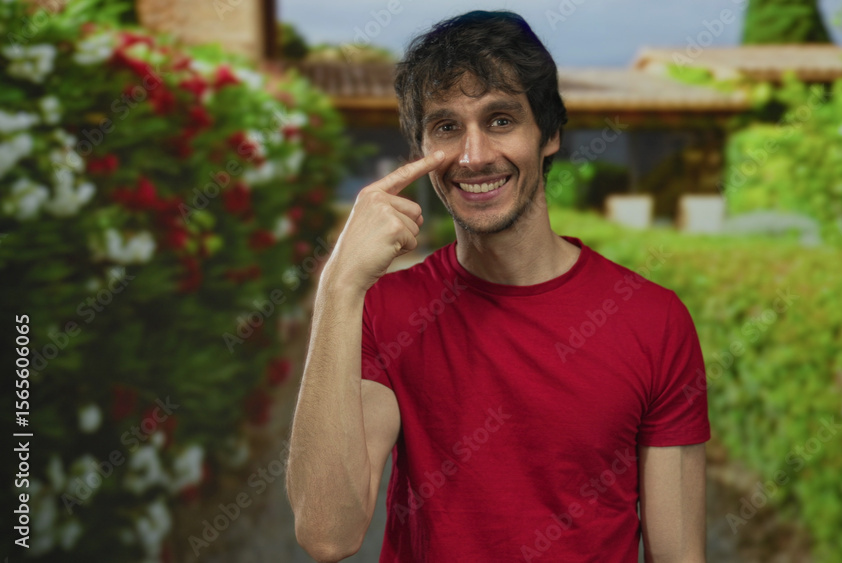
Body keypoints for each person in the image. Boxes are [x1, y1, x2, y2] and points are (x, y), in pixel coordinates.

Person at [286, 10, 710, 563]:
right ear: (421, 153)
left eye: (501, 120)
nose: (474, 155)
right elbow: (327, 534)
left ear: (550, 135)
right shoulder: (385, 311)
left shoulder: (654, 322)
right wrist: (339, 284)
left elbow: (678, 556)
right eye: (446, 127)